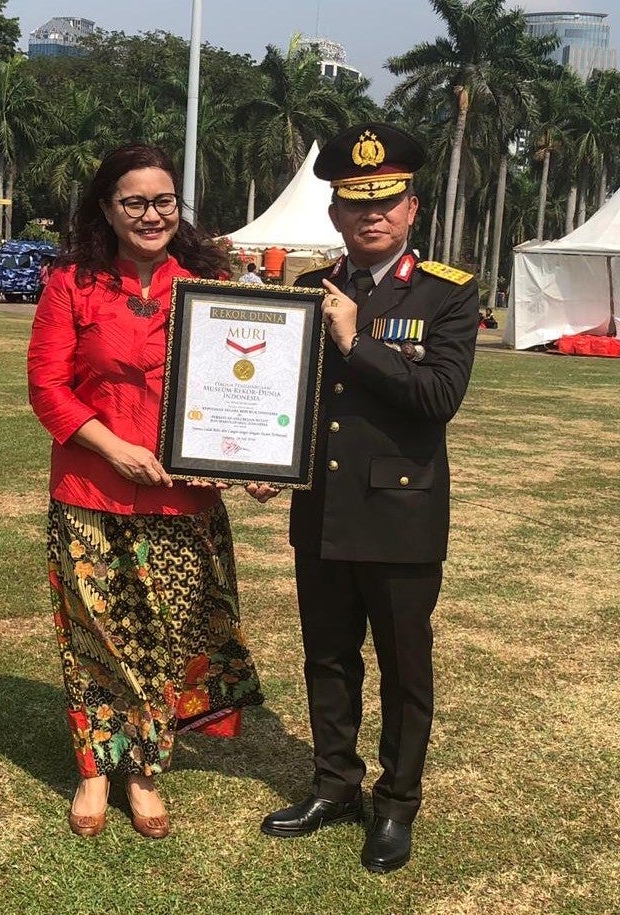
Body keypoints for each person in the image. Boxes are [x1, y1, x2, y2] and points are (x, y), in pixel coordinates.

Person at [251, 123, 478, 872]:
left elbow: (438, 395)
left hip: (401, 514)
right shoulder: (308, 290)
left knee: (405, 667)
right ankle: (334, 784)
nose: (370, 215)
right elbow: (288, 396)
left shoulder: (447, 292)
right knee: (328, 657)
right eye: (354, 203)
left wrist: (356, 341)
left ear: (412, 207)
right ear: (335, 214)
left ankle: (397, 802)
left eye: (385, 200)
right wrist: (266, 458)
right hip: (321, 506)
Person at [27, 144, 263, 841]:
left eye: (164, 201)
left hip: (182, 499)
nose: (151, 214)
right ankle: (96, 767)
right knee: (94, 636)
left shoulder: (209, 282)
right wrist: (114, 446)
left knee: (165, 637)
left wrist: (252, 457)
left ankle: (144, 770)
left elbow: (244, 384)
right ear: (106, 208)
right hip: (90, 489)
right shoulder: (71, 281)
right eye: (134, 201)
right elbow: (47, 387)